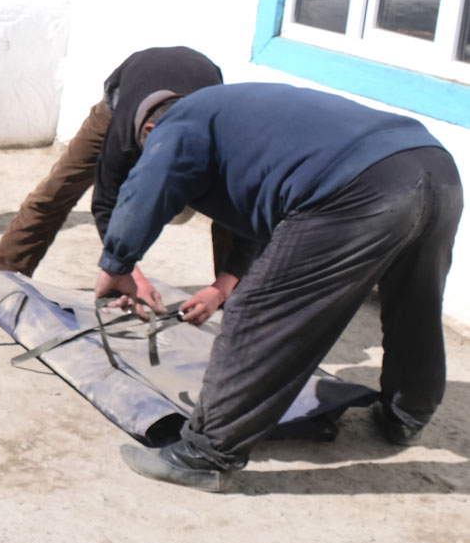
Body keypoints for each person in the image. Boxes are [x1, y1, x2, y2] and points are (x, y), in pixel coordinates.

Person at [94, 83, 460, 491]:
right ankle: (406, 414)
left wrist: (117, 263)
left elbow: (152, 182)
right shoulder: (239, 117)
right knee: (416, 302)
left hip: (355, 187)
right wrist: (221, 287)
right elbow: (264, 215)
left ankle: (206, 454)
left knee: (259, 313)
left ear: (148, 129)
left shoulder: (180, 121)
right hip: (434, 167)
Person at [0, 46, 256, 304]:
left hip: (188, 96)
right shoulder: (120, 132)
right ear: (147, 132)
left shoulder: (217, 132)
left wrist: (222, 289)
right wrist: (126, 273)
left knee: (229, 210)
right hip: (122, 101)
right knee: (57, 190)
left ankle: (239, 302)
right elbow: (106, 204)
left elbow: (244, 215)